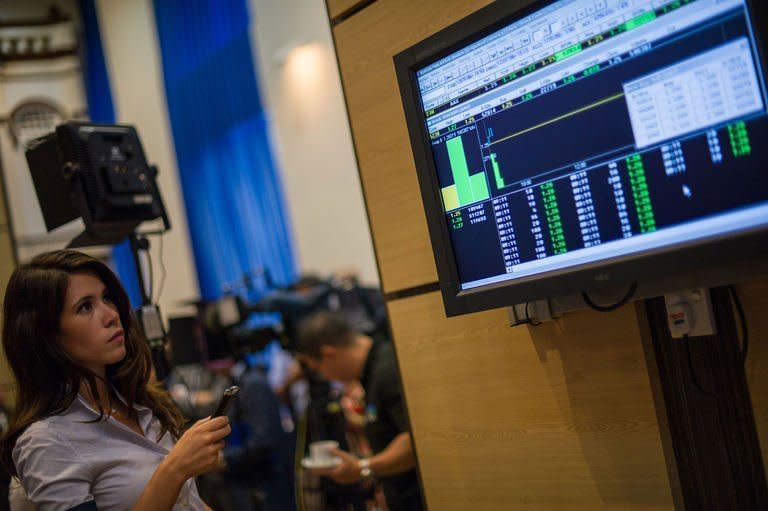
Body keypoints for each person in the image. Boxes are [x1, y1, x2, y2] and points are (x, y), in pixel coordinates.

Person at [0, 249, 231, 510]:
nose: (111, 315)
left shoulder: (138, 405)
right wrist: (175, 469)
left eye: (107, 298)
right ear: (47, 335)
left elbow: (188, 504)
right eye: (85, 307)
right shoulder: (47, 441)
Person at [295, 311, 424, 511]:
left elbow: (416, 439)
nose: (326, 377)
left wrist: (362, 468)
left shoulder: (387, 370)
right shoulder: (374, 368)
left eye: (317, 369)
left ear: (329, 354)